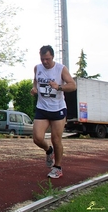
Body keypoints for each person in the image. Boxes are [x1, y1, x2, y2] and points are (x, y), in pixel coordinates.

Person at [30, 45, 76, 179]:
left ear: (52, 57)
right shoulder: (37, 68)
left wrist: (59, 87)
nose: (45, 62)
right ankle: (48, 150)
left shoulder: (60, 69)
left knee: (56, 139)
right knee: (37, 138)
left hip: (58, 109)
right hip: (42, 108)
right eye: (42, 59)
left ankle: (57, 167)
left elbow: (73, 85)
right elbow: (35, 81)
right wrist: (34, 88)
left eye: (47, 59)